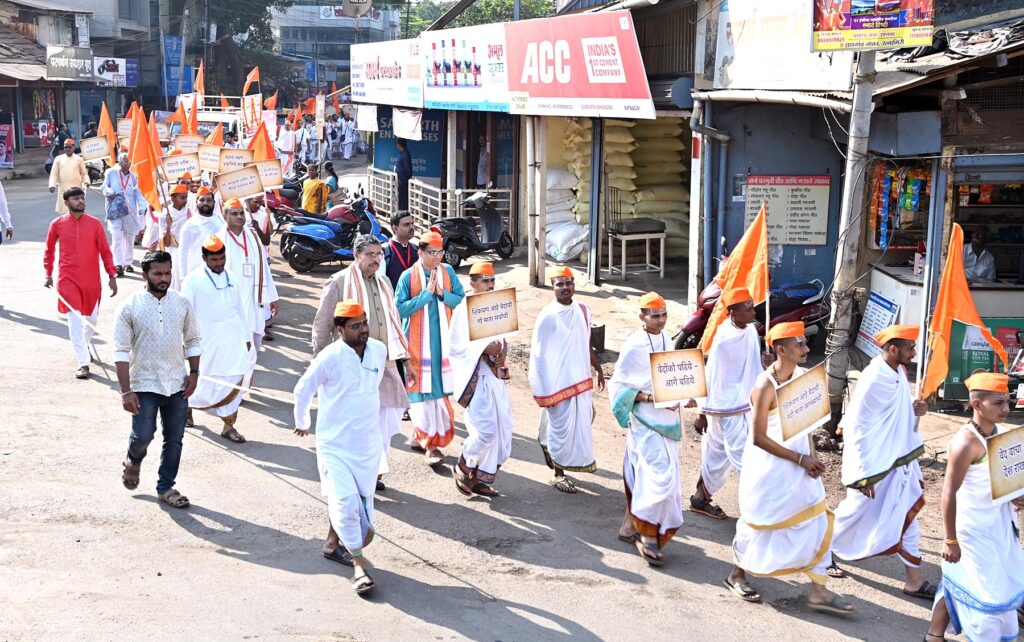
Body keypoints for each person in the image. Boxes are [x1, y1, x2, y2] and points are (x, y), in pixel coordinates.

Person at [728, 321, 855, 614]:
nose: (806, 349)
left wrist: (811, 458)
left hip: (801, 467)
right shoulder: (764, 385)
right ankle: (737, 574)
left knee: (817, 520)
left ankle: (819, 590)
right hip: (769, 470)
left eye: (804, 343)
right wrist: (800, 459)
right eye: (799, 344)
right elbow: (758, 437)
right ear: (780, 349)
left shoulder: (802, 378)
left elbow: (806, 425)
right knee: (758, 523)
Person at [831, 325, 936, 600]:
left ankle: (914, 581)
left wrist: (915, 408)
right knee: (852, 513)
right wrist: (864, 475)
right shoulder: (874, 378)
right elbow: (857, 426)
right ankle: (820, 550)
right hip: (873, 468)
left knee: (907, 515)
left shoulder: (898, 371)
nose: (914, 353)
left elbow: (896, 411)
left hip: (899, 463)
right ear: (893, 349)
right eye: (910, 348)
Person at [293, 300, 386, 596]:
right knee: (346, 504)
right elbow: (303, 388)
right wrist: (303, 420)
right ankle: (359, 567)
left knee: (357, 503)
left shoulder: (379, 351)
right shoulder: (329, 357)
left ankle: (332, 544)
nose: (363, 330)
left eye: (364, 323)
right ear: (340, 329)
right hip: (334, 445)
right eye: (355, 326)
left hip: (367, 444)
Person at [925, 372, 1024, 642]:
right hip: (972, 529)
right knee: (988, 594)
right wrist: (950, 539)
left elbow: (1007, 480)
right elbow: (948, 492)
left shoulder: (1003, 435)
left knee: (959, 578)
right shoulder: (965, 443)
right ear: (977, 405)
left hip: (1000, 525)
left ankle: (934, 636)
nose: (1006, 409)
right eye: (998, 403)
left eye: (1008, 402)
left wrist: (1016, 496)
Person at [312, 234, 411, 491]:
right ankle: (357, 473)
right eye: (370, 254)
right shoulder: (340, 282)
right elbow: (323, 323)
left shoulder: (384, 281)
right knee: (357, 422)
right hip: (351, 364)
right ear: (356, 255)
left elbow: (394, 322)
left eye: (379, 254)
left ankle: (374, 472)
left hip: (384, 363)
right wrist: (320, 362)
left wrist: (406, 359)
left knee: (383, 423)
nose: (376, 259)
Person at [114, 250, 200, 509]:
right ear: (145, 275)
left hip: (176, 383)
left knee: (174, 438)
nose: (164, 278)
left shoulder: (182, 303)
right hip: (143, 383)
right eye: (158, 274)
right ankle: (133, 459)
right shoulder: (130, 306)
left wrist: (194, 373)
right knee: (143, 435)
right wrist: (125, 391)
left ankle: (166, 487)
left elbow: (193, 339)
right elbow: (120, 350)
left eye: (167, 273)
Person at [609, 292, 683, 564]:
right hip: (645, 419)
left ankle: (629, 527)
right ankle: (648, 535)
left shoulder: (665, 339)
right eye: (655, 315)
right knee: (658, 478)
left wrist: (681, 394)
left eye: (664, 314)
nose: (661, 320)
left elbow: (673, 375)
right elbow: (621, 387)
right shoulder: (634, 345)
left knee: (656, 476)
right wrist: (652, 398)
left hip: (668, 420)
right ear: (642, 317)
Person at [528, 266, 605, 493]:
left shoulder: (582, 310)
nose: (565, 288)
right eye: (559, 284)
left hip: (579, 379)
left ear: (574, 285)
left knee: (585, 417)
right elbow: (539, 356)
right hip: (557, 384)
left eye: (568, 283)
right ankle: (558, 474)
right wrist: (543, 390)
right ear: (553, 287)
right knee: (560, 428)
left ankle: (552, 451)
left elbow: (585, 341)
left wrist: (598, 367)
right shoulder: (547, 316)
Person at [690, 287, 762, 519]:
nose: (753, 311)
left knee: (716, 456)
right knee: (745, 458)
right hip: (724, 409)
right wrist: (702, 413)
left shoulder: (751, 331)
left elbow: (751, 365)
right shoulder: (723, 339)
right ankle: (757, 512)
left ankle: (700, 499)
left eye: (752, 305)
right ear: (733, 312)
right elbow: (712, 376)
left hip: (745, 405)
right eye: (748, 307)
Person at [395, 230, 465, 467]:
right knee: (421, 395)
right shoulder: (407, 277)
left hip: (443, 346)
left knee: (439, 392)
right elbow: (399, 311)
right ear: (421, 252)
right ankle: (431, 445)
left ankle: (421, 436)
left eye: (440, 252)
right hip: (416, 347)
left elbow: (461, 300)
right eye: (433, 252)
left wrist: (442, 294)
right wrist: (425, 296)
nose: (438, 257)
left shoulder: (448, 272)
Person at [180, 236, 253, 443]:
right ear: (204, 258)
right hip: (205, 341)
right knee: (200, 378)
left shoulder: (233, 276)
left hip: (232, 339)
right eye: (214, 260)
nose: (219, 263)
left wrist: (246, 336)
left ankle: (228, 426)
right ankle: (187, 410)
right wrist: (186, 342)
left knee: (235, 378)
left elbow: (241, 309)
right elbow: (185, 313)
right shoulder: (192, 280)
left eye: (222, 258)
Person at [450, 262, 514, 497]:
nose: (490, 285)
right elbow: (456, 347)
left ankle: (480, 479)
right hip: (475, 379)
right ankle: (463, 466)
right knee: (485, 430)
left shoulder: (497, 305)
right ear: (473, 283)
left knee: (502, 428)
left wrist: (502, 353)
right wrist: (483, 348)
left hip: (495, 379)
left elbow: (504, 338)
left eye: (492, 280)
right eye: (485, 281)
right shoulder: (463, 309)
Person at [43, 187, 117, 379]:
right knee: (75, 319)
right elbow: (49, 250)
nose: (81, 201)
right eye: (76, 198)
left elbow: (105, 251)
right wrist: (48, 273)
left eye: (82, 198)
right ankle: (83, 362)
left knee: (91, 320)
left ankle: (83, 347)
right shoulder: (57, 224)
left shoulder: (95, 224)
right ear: (66, 202)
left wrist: (112, 275)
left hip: (92, 280)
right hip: (67, 279)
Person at [217, 199, 278, 352]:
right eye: (234, 214)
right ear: (226, 217)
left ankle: (248, 369)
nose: (239, 217)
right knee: (234, 344)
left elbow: (264, 267)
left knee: (254, 341)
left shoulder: (253, 236)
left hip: (253, 296)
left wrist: (273, 297)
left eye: (241, 213)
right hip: (231, 298)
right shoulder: (218, 240)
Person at [102, 153, 144, 277]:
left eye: (128, 162)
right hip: (115, 209)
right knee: (116, 236)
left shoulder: (133, 176)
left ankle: (128, 263)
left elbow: (138, 192)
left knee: (129, 236)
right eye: (123, 161)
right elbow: (104, 186)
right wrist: (109, 192)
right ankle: (118, 264)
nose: (126, 164)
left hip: (129, 210)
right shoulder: (111, 172)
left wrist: (142, 205)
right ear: (119, 162)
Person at [177, 187, 224, 283]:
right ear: (196, 202)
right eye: (202, 200)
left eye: (209, 200)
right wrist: (183, 277)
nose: (205, 203)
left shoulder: (221, 221)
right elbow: (183, 252)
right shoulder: (190, 225)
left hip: (218, 272)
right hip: (195, 274)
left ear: (214, 203)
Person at [156, 184, 191, 291]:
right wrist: (168, 226)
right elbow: (166, 243)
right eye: (182, 197)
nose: (185, 200)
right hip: (173, 251)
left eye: (186, 197)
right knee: (176, 280)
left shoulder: (189, 212)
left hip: (188, 250)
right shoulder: (165, 216)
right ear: (173, 198)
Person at [48, 138, 88, 215]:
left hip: (76, 189)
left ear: (73, 147)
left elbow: (84, 173)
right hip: (63, 190)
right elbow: (54, 174)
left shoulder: (79, 159)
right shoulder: (58, 159)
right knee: (64, 213)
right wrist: (52, 185)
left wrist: (86, 181)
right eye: (65, 147)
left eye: (69, 147)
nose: (67, 149)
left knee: (76, 211)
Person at [382, 211, 418, 290]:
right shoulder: (384, 251)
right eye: (407, 224)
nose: (412, 227)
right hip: (393, 300)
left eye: (412, 223)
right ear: (395, 228)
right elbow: (380, 282)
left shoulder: (416, 250)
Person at [394, 139, 413, 212]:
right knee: (401, 196)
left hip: (403, 180)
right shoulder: (401, 153)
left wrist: (407, 178)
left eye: (397, 144)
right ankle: (401, 210)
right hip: (400, 179)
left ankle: (403, 211)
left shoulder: (405, 154)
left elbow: (407, 168)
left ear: (399, 144)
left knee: (404, 197)